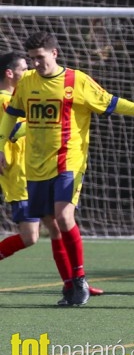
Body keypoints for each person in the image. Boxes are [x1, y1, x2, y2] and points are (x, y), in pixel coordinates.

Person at [0, 32, 134, 306]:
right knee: (52, 228)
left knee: (64, 217)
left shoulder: (76, 81)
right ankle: (69, 286)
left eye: (40, 58)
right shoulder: (28, 82)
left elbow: (112, 103)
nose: (35, 65)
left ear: (54, 53)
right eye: (31, 59)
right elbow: (11, 116)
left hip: (69, 162)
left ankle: (79, 279)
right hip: (35, 166)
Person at [0, 51, 105, 305]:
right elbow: (13, 130)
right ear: (9, 73)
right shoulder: (5, 100)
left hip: (37, 171)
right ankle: (73, 283)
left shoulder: (23, 94)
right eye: (25, 68)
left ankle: (73, 285)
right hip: (20, 176)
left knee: (55, 228)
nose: (30, 71)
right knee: (31, 236)